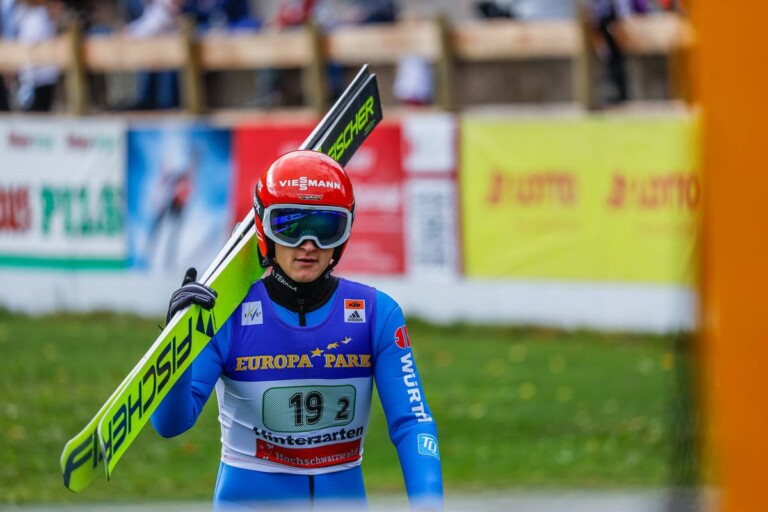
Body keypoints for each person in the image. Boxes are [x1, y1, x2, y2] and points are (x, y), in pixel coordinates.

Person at [152, 150, 444, 511]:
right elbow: (170, 423)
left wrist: (429, 504)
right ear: (264, 229)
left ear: (344, 234)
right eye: (290, 226)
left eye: (325, 228)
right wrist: (176, 343)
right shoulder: (226, 315)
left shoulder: (376, 314)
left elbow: (412, 422)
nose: (308, 245)